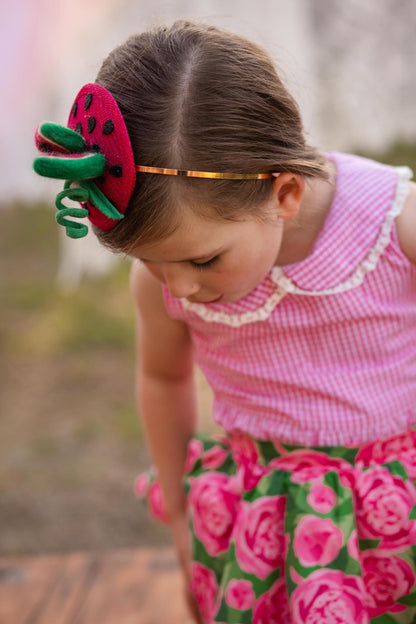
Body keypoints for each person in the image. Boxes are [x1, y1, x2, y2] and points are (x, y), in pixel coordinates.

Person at [33, 20, 416, 624]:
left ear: (284, 193)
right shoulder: (165, 278)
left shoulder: (396, 227)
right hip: (260, 528)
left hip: (397, 517)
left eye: (202, 260)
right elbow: (162, 379)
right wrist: (183, 517)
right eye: (149, 262)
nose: (180, 288)